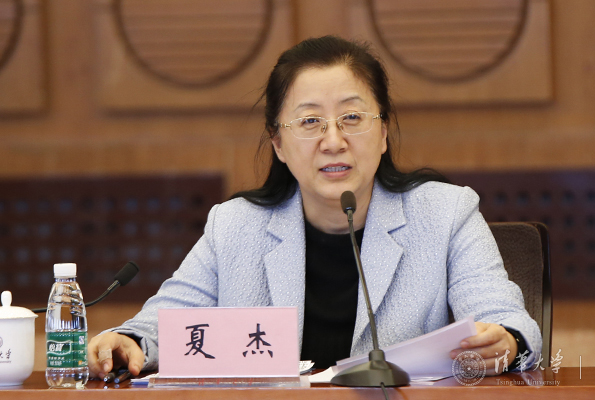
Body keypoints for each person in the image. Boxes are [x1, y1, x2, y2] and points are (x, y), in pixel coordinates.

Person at [88, 35, 541, 379]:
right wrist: (127, 340)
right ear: (278, 144)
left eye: (352, 118)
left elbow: (508, 321)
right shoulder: (235, 226)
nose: (333, 141)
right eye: (309, 121)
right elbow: (164, 325)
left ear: (383, 133)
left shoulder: (445, 214)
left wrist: (505, 341)